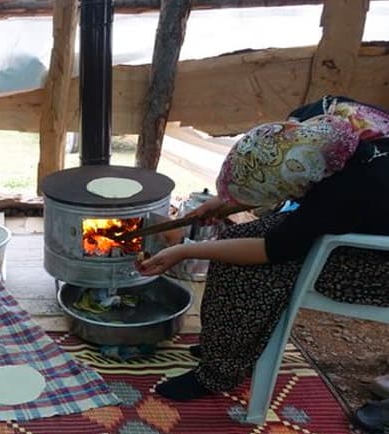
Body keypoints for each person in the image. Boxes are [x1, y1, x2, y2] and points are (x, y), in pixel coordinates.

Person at [137, 96, 389, 401]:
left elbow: (274, 250)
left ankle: (220, 372)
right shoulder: (312, 121)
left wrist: (186, 250)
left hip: (375, 260)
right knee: (234, 242)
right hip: (354, 214)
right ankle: (226, 342)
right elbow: (273, 170)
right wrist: (226, 199)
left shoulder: (346, 190)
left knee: (251, 272)